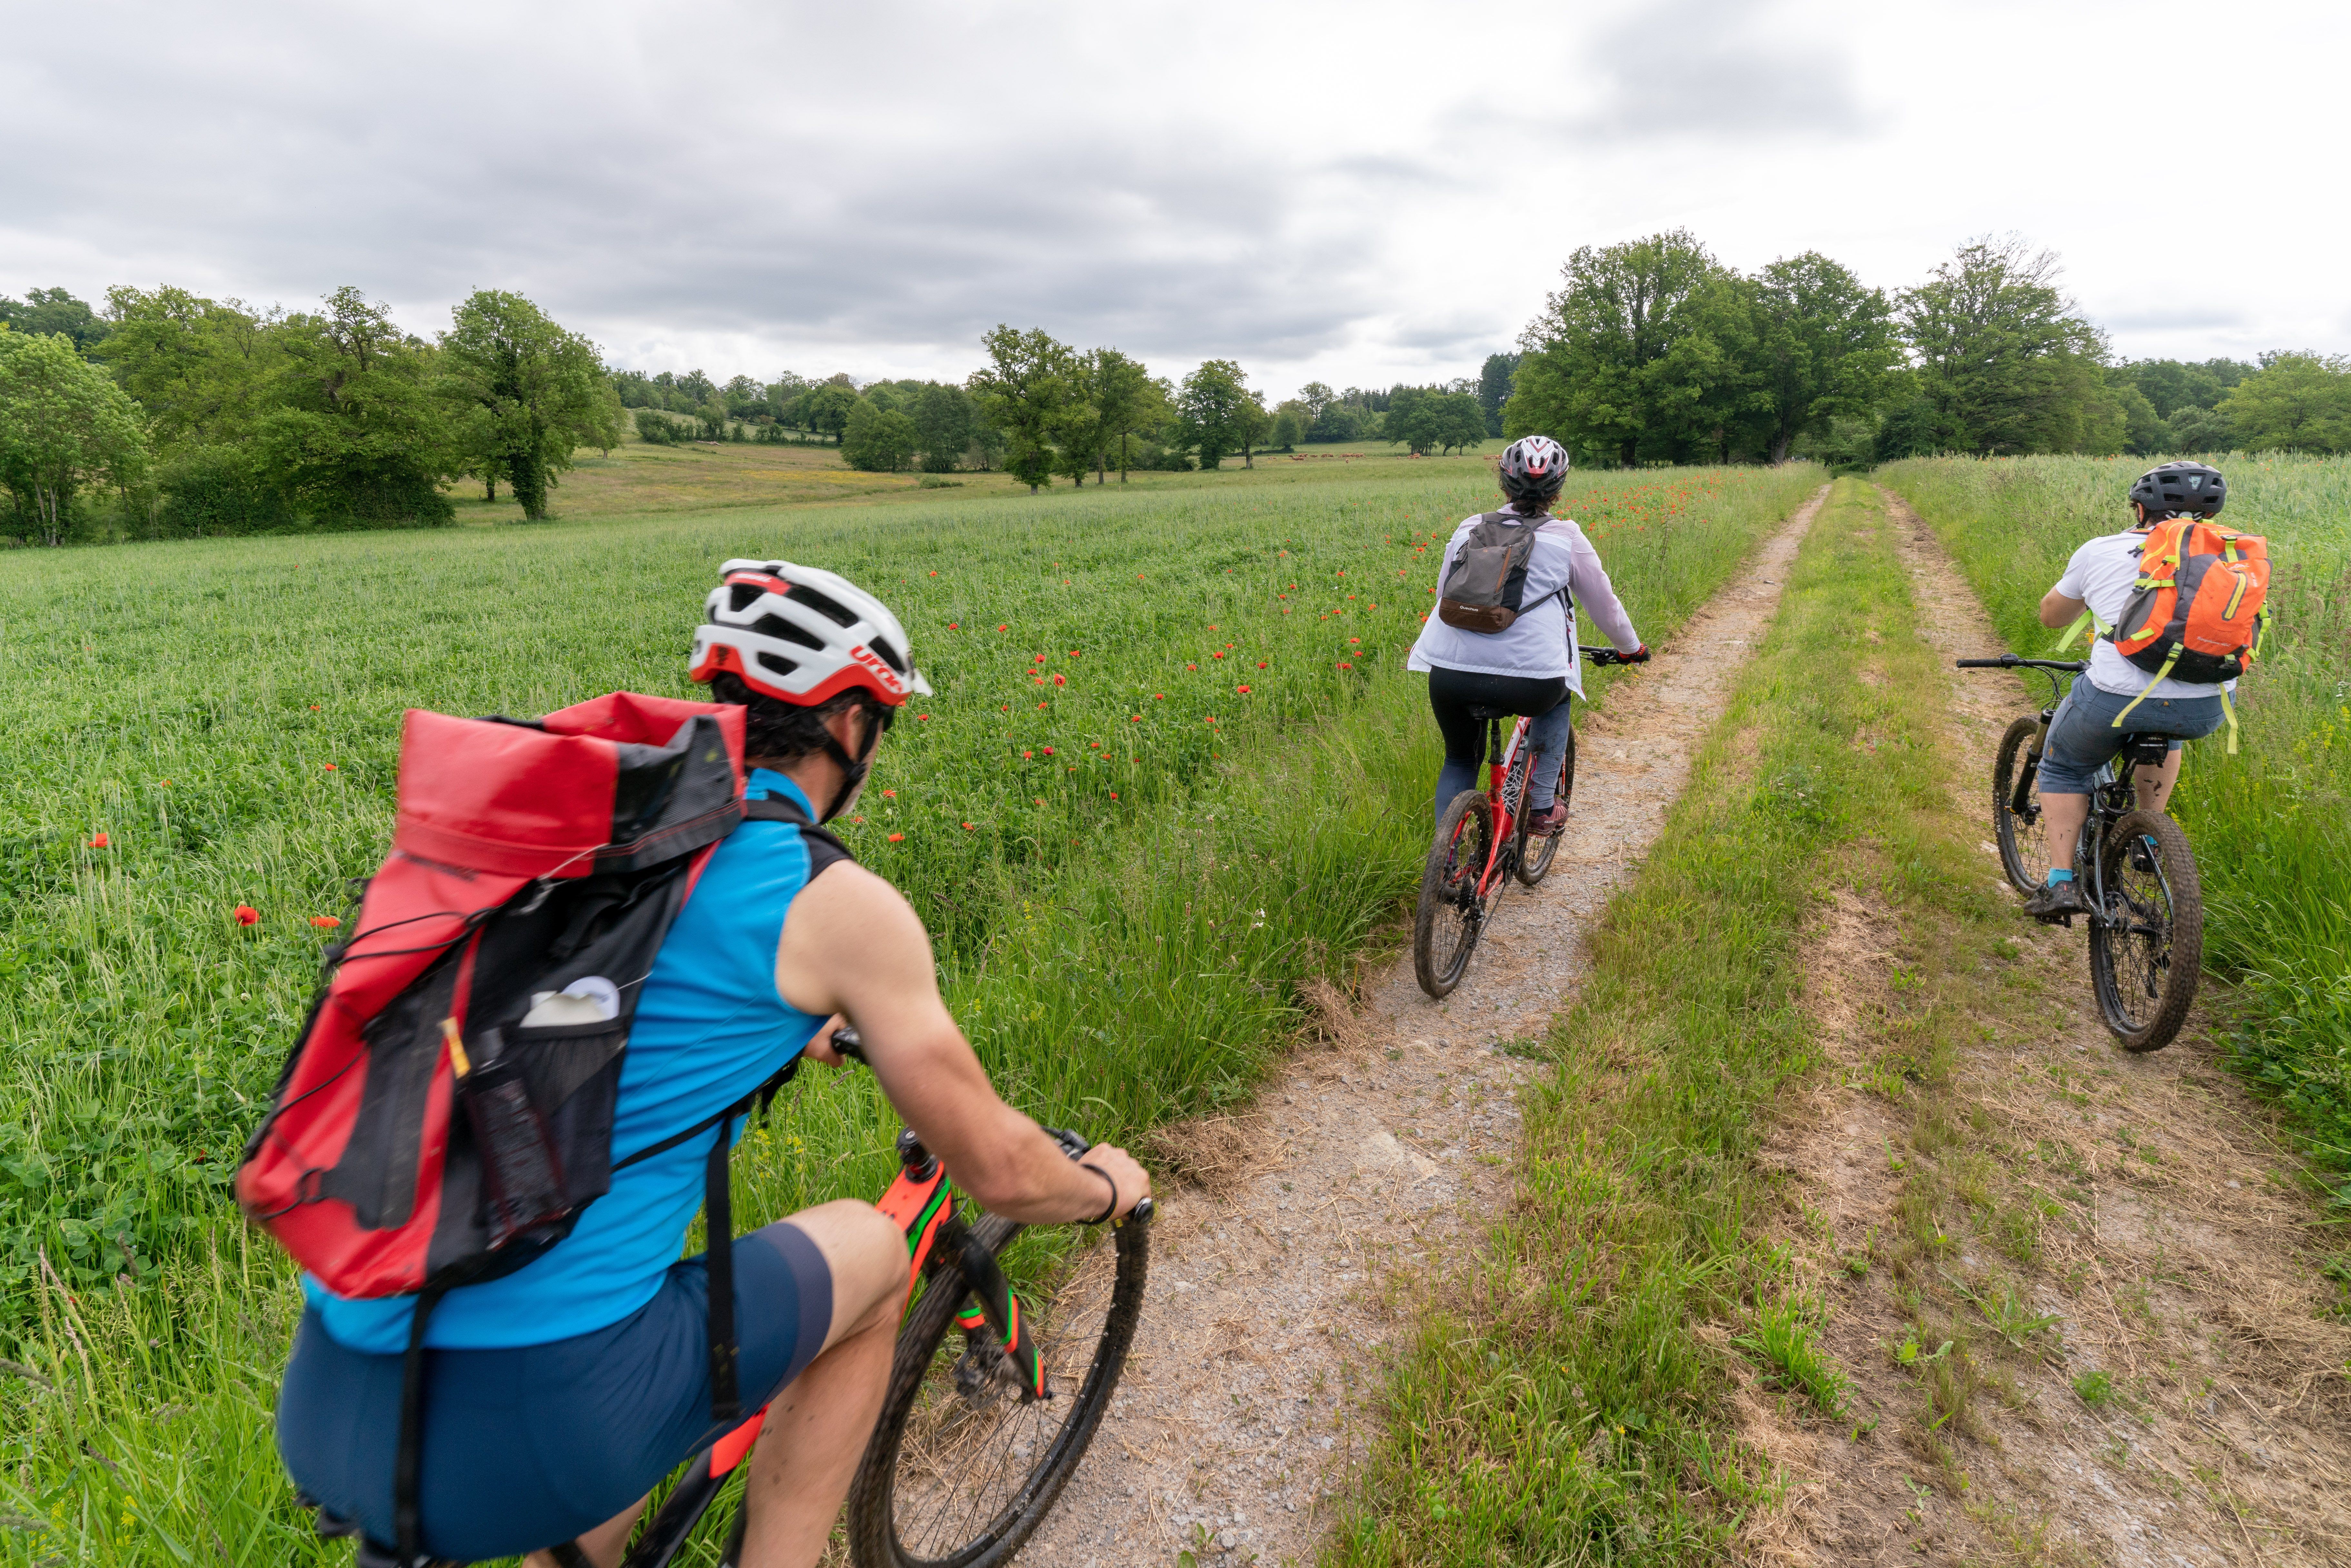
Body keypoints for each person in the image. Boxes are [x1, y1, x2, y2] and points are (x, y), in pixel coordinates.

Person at [274, 561, 1151, 1568]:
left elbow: (590, 1005)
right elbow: (997, 1167)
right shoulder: (833, 905)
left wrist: (791, 1019)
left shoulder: (596, 834)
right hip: (539, 1423)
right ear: (855, 726)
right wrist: (1099, 1190)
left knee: (615, 1309)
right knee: (871, 1256)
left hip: (338, 1396)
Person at [2022, 462, 2233, 920]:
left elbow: (2051, 616)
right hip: (2207, 705)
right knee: (2168, 721)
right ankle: (2147, 837)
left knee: (2061, 766)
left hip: (2114, 697)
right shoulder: (2232, 555)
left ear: (2140, 509)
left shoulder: (2102, 549)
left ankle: (2060, 883)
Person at [1406, 436, 1646, 835]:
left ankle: (1446, 861)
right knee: (1557, 693)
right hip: (1531, 683)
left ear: (1503, 482)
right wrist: (1630, 649)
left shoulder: (1469, 528)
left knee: (1460, 760)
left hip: (1449, 674)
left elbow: (1443, 596)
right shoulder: (1567, 537)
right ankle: (1540, 808)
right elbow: (1604, 606)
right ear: (1558, 489)